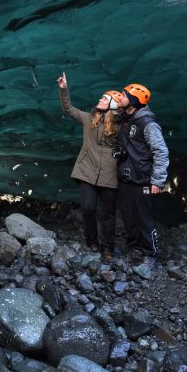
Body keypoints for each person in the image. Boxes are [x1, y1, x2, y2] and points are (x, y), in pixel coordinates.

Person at [56, 72, 122, 261]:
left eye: (104, 98)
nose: (100, 99)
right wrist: (63, 89)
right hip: (87, 172)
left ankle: (108, 248)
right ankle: (92, 241)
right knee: (88, 208)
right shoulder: (88, 119)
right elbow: (68, 109)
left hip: (110, 175)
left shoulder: (120, 126)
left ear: (113, 104)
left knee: (108, 213)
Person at [114, 83, 169, 266]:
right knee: (129, 217)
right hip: (127, 178)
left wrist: (158, 181)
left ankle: (151, 253)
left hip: (143, 179)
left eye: (123, 95)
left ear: (133, 100)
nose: (119, 97)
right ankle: (134, 249)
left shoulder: (147, 123)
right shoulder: (124, 119)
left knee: (145, 219)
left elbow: (160, 152)